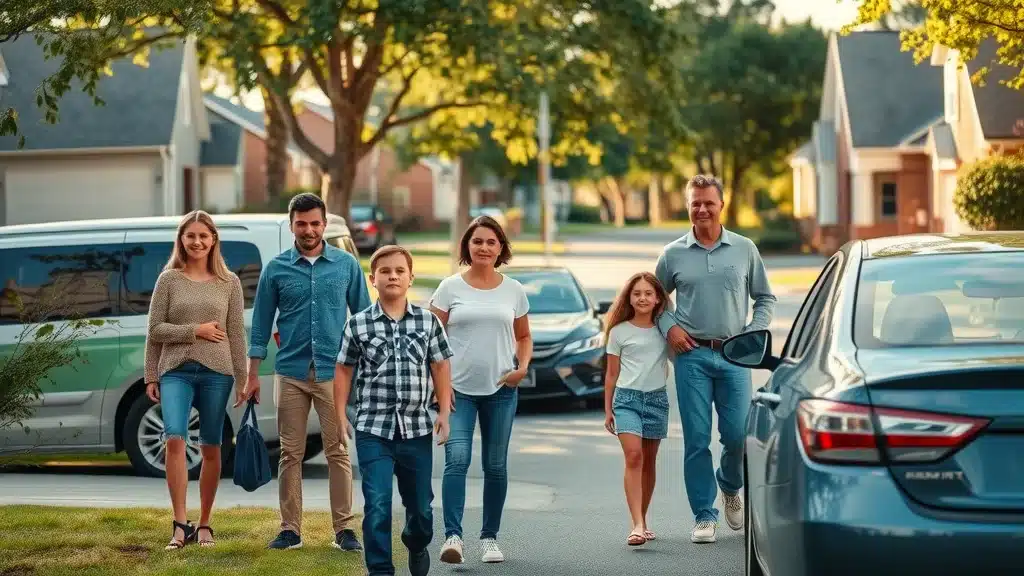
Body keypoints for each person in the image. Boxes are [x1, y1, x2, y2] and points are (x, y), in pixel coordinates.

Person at [245, 192, 371, 551]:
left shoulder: (345, 266)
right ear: (291, 226)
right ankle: (290, 530)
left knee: (338, 451)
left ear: (324, 223)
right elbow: (260, 326)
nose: (309, 230)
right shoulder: (277, 268)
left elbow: (364, 319)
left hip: (335, 373)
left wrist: (369, 370)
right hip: (290, 373)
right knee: (290, 454)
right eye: (302, 223)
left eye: (315, 223)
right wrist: (253, 375)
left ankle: (344, 529)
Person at [654, 174, 777, 544]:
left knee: (737, 435)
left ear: (721, 204)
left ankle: (729, 484)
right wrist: (670, 328)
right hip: (691, 358)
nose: (702, 209)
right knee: (695, 439)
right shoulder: (673, 253)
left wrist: (752, 332)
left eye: (709, 202)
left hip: (735, 358)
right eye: (696, 203)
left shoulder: (744, 248)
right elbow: (654, 299)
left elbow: (765, 299)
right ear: (688, 206)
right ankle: (704, 515)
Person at [334, 244, 454, 576]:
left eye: (400, 271)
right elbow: (343, 369)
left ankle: (416, 544)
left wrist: (443, 412)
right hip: (373, 430)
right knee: (377, 506)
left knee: (420, 509)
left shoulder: (427, 323)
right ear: (373, 279)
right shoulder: (357, 325)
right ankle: (380, 570)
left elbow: (441, 366)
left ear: (410, 278)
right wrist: (340, 412)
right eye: (385, 271)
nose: (393, 276)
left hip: (416, 429)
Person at [429, 215, 532, 565]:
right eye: (477, 242)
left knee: (495, 465)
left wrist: (522, 368)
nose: (484, 247)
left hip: (502, 391)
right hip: (456, 391)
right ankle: (453, 537)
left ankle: (489, 538)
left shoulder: (514, 290)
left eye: (491, 242)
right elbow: (429, 340)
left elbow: (524, 337)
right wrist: (437, 386)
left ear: (501, 247)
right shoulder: (449, 288)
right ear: (467, 247)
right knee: (456, 459)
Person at [143, 210, 248, 550]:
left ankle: (204, 523)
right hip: (176, 370)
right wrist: (153, 372)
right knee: (174, 437)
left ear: (213, 239)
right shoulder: (168, 280)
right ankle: (179, 524)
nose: (197, 241)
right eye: (191, 236)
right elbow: (155, 330)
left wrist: (244, 378)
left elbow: (236, 332)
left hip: (218, 373)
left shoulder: (229, 282)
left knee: (211, 446)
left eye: (204, 235)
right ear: (182, 240)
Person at [602, 272, 672, 548]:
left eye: (648, 294)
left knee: (649, 462)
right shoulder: (619, 331)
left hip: (657, 400)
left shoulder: (665, 330)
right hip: (626, 400)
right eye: (637, 293)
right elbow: (610, 375)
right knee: (633, 457)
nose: (642, 298)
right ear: (629, 298)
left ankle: (643, 519)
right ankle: (637, 525)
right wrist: (608, 410)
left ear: (657, 299)